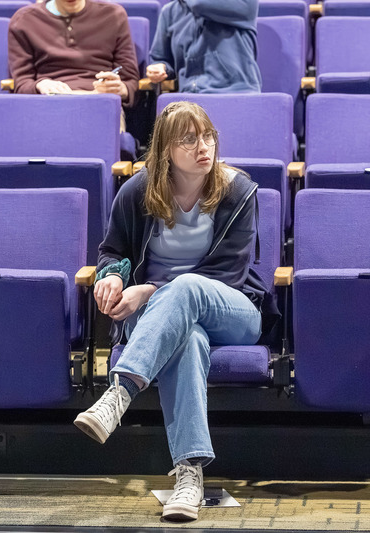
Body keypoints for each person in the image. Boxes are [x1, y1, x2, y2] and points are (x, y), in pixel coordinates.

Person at [73, 101, 278, 521]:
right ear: (166, 149)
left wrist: (147, 289)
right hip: (162, 323)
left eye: (208, 137)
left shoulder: (239, 190)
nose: (203, 147)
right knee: (187, 340)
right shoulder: (138, 190)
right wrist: (111, 277)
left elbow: (228, 273)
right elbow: (112, 251)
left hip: (232, 309)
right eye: (189, 139)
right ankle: (189, 476)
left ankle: (120, 393)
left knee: (186, 288)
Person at [8, 0, 139, 106]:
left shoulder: (113, 15)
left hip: (100, 101)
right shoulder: (24, 20)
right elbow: (22, 84)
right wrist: (39, 85)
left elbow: (130, 82)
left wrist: (119, 89)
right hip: (48, 102)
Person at [146, 0, 261, 93]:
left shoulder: (244, 2)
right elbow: (161, 58)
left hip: (237, 93)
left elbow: (198, 4)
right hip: (190, 98)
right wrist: (160, 68)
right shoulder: (170, 11)